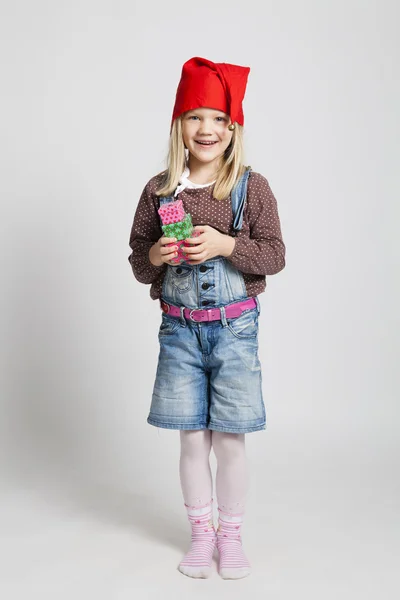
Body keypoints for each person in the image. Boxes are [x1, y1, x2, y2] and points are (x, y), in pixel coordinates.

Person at [128, 56, 286, 580]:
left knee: (230, 439)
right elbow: (137, 261)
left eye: (219, 119)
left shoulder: (250, 187)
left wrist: (225, 244)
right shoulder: (160, 191)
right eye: (196, 117)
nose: (208, 129)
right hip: (179, 332)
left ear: (233, 128)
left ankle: (232, 538)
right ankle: (201, 537)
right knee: (192, 439)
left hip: (235, 332)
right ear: (179, 125)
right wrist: (157, 256)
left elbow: (274, 255)